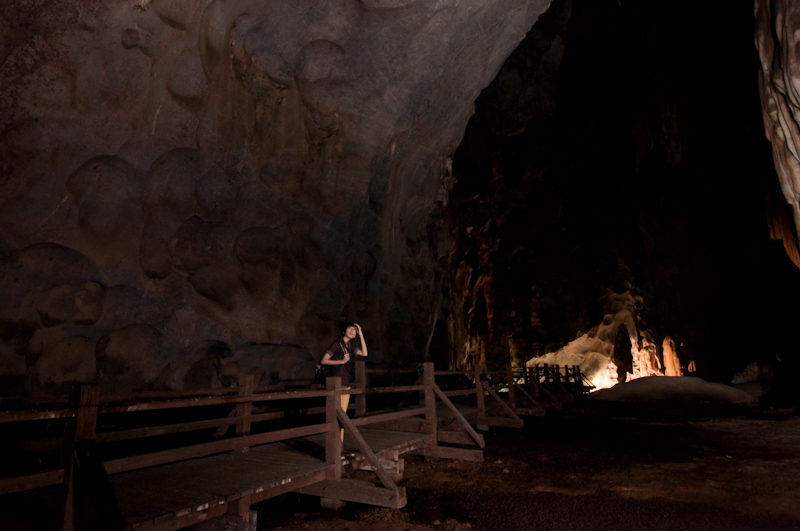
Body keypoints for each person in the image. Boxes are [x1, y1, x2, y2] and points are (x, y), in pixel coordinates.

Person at [321, 322, 368, 455]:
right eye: (350, 329)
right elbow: (324, 360)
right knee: (337, 416)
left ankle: (339, 447)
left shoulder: (350, 346)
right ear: (344, 330)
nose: (353, 331)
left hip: (345, 383)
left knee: (342, 416)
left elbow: (365, 353)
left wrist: (361, 334)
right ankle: (336, 448)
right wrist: (341, 361)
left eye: (355, 330)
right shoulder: (336, 344)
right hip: (336, 384)